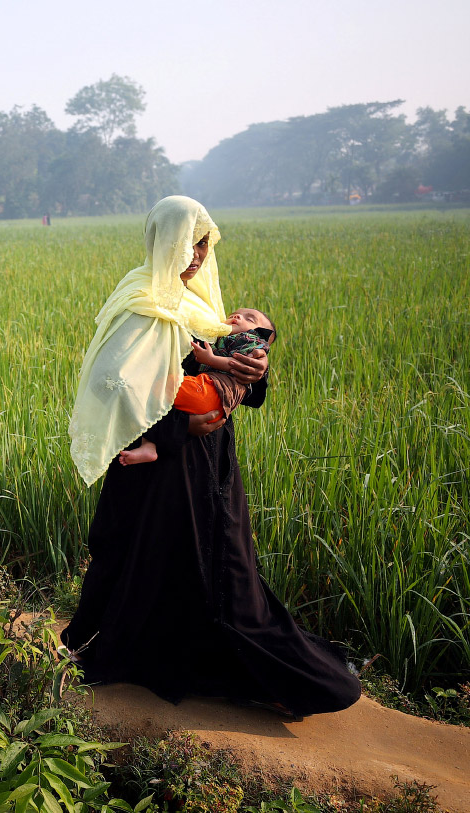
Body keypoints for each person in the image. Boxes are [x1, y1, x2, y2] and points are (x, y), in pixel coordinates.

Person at [62, 196, 360, 718]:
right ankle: (132, 659)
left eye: (204, 243)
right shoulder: (140, 300)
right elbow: (115, 383)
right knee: (145, 556)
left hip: (209, 465)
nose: (197, 254)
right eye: (188, 242)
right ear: (162, 242)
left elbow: (233, 369)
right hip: (158, 471)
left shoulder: (197, 302)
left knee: (221, 567)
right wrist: (179, 426)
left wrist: (255, 372)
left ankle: (260, 669)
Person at [118, 307, 274, 466]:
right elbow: (117, 380)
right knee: (153, 391)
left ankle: (149, 445)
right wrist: (179, 425)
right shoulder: (139, 303)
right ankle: (149, 445)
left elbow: (243, 375)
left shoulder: (244, 338)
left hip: (207, 434)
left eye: (250, 319)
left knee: (155, 389)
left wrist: (259, 368)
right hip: (165, 443)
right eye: (234, 313)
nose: (237, 316)